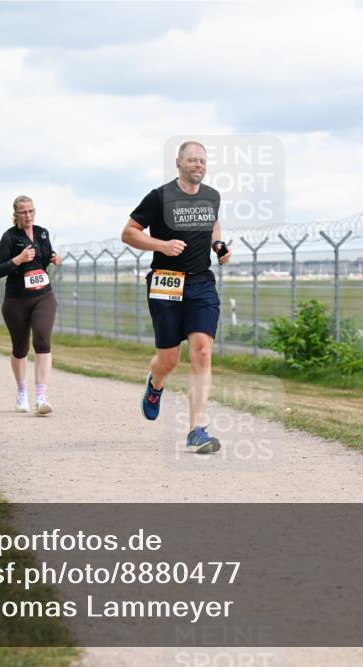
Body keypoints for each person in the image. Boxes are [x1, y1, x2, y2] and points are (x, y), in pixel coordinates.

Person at [120, 140, 232, 454]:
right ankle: (155, 385)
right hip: (166, 283)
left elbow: (213, 223)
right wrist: (162, 245)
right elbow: (129, 232)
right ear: (179, 163)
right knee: (169, 360)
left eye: (203, 161)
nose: (199, 165)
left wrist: (219, 245)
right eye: (193, 160)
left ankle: (197, 429)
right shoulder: (160, 197)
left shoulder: (212, 196)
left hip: (200, 283)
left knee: (202, 351)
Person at [0, 196, 62, 414]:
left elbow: (44, 256)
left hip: (43, 296)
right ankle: (22, 392)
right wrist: (18, 259)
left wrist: (53, 257)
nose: (28, 215)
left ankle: (41, 398)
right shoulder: (9, 237)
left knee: (42, 340)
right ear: (16, 214)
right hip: (16, 301)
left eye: (31, 211)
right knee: (20, 349)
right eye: (23, 212)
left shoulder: (42, 232)